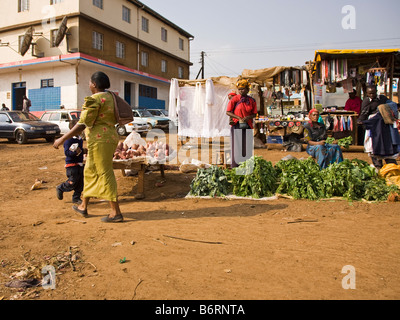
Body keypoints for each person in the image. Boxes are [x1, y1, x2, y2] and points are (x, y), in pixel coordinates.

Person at [53, 71, 123, 223]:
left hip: (100, 140)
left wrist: (62, 139)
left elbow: (82, 124)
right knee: (90, 171)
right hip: (108, 137)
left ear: (94, 84)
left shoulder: (94, 99)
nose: (89, 85)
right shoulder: (111, 97)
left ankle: (115, 212)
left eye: (90, 82)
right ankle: (83, 206)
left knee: (104, 173)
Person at [358, 85, 397, 169]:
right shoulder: (366, 101)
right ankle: (378, 166)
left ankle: (391, 166)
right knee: (374, 145)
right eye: (370, 93)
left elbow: (392, 105)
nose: (372, 95)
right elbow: (364, 113)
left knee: (386, 144)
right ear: (367, 94)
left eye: (373, 93)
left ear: (376, 92)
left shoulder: (383, 99)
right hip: (373, 127)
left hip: (384, 127)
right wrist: (362, 122)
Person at [226, 79, 257, 168]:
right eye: (239, 89)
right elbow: (228, 112)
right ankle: (236, 166)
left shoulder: (252, 101)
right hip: (236, 125)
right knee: (237, 146)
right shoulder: (234, 99)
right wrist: (238, 118)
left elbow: (254, 113)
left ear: (247, 89)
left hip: (248, 126)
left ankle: (246, 165)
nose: (241, 91)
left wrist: (248, 117)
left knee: (247, 146)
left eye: (243, 89)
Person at [56, 120, 85, 205]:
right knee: (72, 181)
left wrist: (83, 151)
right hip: (71, 165)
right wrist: (75, 153)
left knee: (80, 182)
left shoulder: (79, 139)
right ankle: (61, 188)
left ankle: (76, 198)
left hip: (79, 163)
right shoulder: (68, 140)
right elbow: (67, 153)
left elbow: (80, 150)